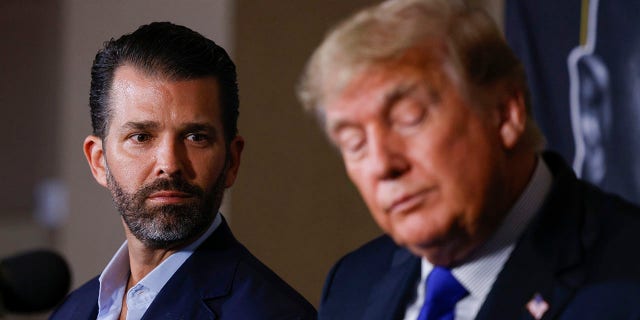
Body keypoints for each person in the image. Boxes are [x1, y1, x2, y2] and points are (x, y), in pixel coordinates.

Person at [296, 0, 640, 319]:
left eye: (408, 118)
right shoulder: (351, 285)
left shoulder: (627, 277)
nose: (382, 165)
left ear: (505, 113)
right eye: (354, 142)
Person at [50, 22, 316, 319]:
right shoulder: (71, 312)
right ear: (98, 160)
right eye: (141, 137)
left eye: (196, 137)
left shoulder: (273, 313)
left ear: (232, 160)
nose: (170, 164)